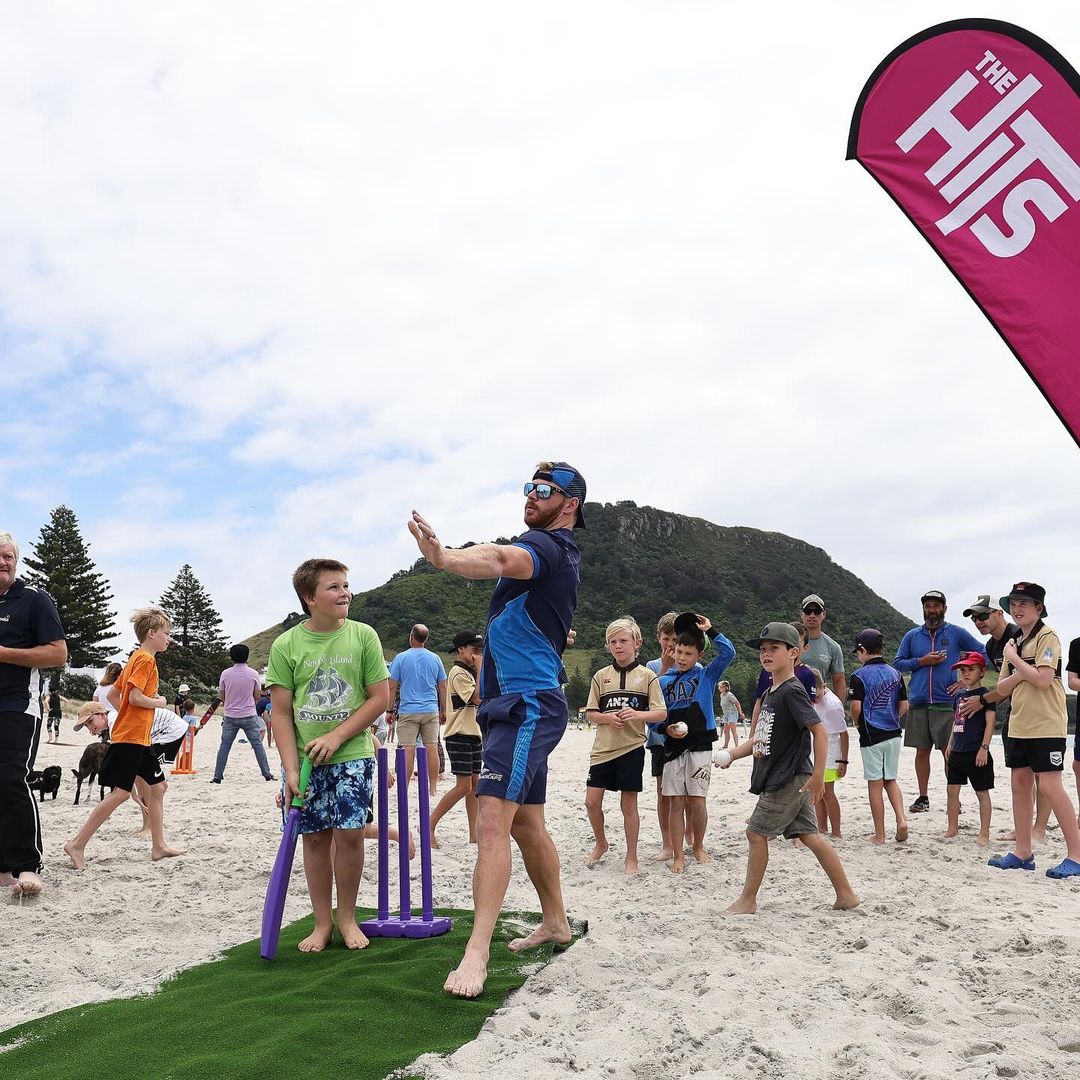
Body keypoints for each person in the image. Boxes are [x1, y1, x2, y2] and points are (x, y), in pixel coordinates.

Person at [408, 458, 586, 999]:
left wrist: (442, 557)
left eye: (544, 489)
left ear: (570, 504)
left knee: (490, 817)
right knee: (525, 823)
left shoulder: (551, 550)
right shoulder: (542, 556)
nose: (531, 496)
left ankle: (476, 953)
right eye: (527, 487)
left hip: (528, 706)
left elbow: (501, 556)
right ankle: (555, 921)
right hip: (512, 707)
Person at [267, 558, 390, 952]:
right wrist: (289, 769)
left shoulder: (363, 636)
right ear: (310, 598)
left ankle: (348, 917)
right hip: (305, 764)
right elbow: (282, 714)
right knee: (316, 840)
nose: (345, 593)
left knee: (351, 835)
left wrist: (337, 736)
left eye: (346, 585)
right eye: (334, 587)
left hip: (352, 751)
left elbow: (380, 699)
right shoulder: (286, 645)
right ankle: (322, 923)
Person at [721, 622, 859, 914]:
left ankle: (748, 900)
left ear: (794, 653)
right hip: (790, 775)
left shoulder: (792, 690)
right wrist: (732, 754)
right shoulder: (772, 692)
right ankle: (846, 894)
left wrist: (819, 775)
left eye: (774, 648)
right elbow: (759, 739)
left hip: (788, 778)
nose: (766, 653)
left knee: (756, 834)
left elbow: (819, 732)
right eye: (763, 649)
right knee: (810, 837)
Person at [972, 583, 1080, 878]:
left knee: (1049, 786)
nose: (1017, 609)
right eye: (1014, 604)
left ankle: (1076, 855)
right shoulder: (1015, 640)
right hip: (1018, 723)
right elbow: (1003, 687)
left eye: (1024, 603)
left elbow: (1044, 680)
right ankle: (1023, 852)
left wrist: (1017, 663)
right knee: (1019, 784)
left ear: (1039, 608)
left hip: (1047, 723)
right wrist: (1023, 672)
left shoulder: (1048, 636)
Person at [64, 607, 184, 869]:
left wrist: (129, 715)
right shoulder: (146, 660)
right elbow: (134, 698)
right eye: (166, 633)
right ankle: (77, 844)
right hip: (131, 738)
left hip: (137, 737)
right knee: (120, 793)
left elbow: (116, 696)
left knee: (159, 787)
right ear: (151, 633)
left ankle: (159, 846)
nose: (168, 638)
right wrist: (158, 702)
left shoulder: (134, 658)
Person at [0, 531, 67, 896]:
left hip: (17, 704)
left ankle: (28, 865)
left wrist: (3, 652)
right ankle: (3, 869)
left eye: (7, 556)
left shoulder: (34, 599)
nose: (2, 562)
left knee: (12, 779)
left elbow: (58, 654)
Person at [584, 617, 666, 875]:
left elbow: (661, 713)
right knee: (591, 802)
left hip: (631, 749)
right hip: (602, 750)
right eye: (613, 642)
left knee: (628, 805)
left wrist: (637, 715)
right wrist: (606, 718)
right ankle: (601, 843)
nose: (618, 646)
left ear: (636, 643)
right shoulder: (601, 676)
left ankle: (632, 857)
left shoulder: (648, 676)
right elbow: (591, 713)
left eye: (623, 641)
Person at [655, 613, 735, 874]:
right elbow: (655, 715)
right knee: (676, 803)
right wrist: (665, 728)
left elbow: (728, 653)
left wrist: (711, 629)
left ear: (699, 654)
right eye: (678, 652)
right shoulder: (663, 681)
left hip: (700, 744)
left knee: (698, 801)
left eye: (688, 654)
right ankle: (679, 855)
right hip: (673, 747)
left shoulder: (707, 676)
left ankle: (698, 847)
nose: (681, 658)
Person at [894, 590, 985, 813]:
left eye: (936, 605)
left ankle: (953, 799)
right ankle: (923, 798)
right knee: (921, 752)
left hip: (947, 703)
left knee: (949, 751)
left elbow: (983, 652)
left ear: (944, 608)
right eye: (928, 606)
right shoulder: (912, 636)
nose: (931, 609)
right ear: (923, 609)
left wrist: (965, 680)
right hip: (919, 701)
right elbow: (898, 664)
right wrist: (921, 661)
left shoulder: (956, 633)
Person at [849, 629, 909, 845]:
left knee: (875, 785)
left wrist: (857, 723)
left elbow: (856, 708)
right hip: (894, 734)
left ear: (863, 650)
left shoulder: (858, 676)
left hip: (871, 736)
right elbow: (904, 705)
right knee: (891, 780)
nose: (858, 656)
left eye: (858, 652)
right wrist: (891, 717)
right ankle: (901, 820)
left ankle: (880, 835)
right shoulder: (895, 674)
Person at [430, 630, 485, 848]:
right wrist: (481, 668)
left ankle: (473, 833)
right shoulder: (458, 672)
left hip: (472, 733)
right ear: (461, 649)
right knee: (463, 787)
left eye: (480, 651)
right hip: (459, 734)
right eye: (474, 651)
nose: (477, 655)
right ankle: (429, 824)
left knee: (473, 786)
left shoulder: (468, 672)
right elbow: (478, 698)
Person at [387, 624, 447, 797]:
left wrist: (390, 710)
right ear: (426, 639)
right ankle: (433, 787)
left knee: (407, 749)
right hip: (430, 710)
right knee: (432, 747)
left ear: (411, 636)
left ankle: (404, 788)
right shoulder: (435, 658)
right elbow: (442, 685)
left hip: (408, 710)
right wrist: (444, 710)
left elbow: (392, 686)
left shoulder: (401, 658)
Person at [944, 652, 995, 845]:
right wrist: (950, 744)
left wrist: (984, 748)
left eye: (971, 669)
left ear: (982, 672)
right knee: (952, 789)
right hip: (957, 749)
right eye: (963, 670)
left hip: (976, 751)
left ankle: (984, 833)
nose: (966, 673)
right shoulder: (959, 696)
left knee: (982, 792)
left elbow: (990, 723)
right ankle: (952, 827)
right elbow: (956, 721)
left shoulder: (986, 695)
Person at [645, 612, 683, 862]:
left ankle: (688, 836)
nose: (671, 644)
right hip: (660, 739)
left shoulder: (694, 664)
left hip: (685, 739)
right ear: (659, 639)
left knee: (687, 794)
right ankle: (667, 843)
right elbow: (651, 700)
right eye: (666, 638)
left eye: (675, 638)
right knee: (663, 793)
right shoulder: (651, 667)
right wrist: (667, 668)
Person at [212, 644, 274, 784]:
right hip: (249, 714)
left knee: (225, 745)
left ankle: (217, 776)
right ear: (247, 656)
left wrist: (230, 705)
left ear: (231, 657)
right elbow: (257, 696)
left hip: (231, 715)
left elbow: (222, 695)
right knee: (257, 744)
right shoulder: (253, 674)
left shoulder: (225, 674)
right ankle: (267, 774)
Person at [810, 670, 848, 838]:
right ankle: (822, 828)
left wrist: (843, 761)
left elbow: (844, 734)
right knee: (817, 792)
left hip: (831, 752)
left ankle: (837, 832)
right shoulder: (812, 698)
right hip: (816, 751)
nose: (815, 699)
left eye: (817, 695)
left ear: (823, 686)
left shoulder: (832, 705)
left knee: (827, 792)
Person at [798, 594, 846, 701]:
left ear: (823, 614)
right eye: (808, 611)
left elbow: (839, 681)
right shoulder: (789, 642)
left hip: (818, 703)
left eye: (817, 611)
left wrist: (838, 708)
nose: (812, 615)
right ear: (801, 614)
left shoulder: (833, 647)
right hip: (791, 701)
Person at [718, 680, 745, 748]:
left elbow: (737, 703)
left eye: (720, 687)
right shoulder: (721, 695)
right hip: (726, 715)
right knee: (726, 731)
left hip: (732, 714)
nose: (719, 688)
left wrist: (740, 712)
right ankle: (725, 745)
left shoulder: (730, 695)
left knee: (733, 730)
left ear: (725, 687)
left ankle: (736, 746)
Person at [44, 675, 62, 744]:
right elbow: (66, 700)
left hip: (52, 712)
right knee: (56, 726)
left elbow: (45, 701)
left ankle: (50, 737)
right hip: (58, 712)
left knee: (49, 725)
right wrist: (62, 707)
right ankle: (56, 740)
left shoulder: (49, 696)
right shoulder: (58, 696)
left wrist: (48, 709)